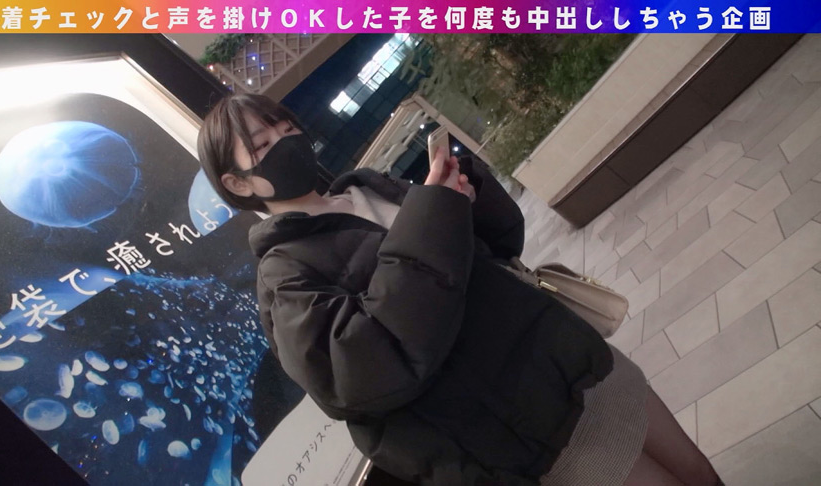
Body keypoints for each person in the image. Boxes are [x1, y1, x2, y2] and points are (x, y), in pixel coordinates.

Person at [197, 93, 724, 486]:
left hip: (572, 358)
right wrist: (434, 214)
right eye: (262, 144)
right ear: (238, 183)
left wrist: (464, 193)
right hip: (528, 426)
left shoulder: (367, 186)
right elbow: (364, 370)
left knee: (699, 472)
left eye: (285, 125)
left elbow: (498, 245)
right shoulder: (283, 274)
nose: (285, 140)